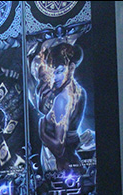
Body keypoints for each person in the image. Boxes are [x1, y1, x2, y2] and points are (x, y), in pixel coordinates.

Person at [38, 42, 87, 172]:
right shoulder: (80, 91)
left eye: (59, 71)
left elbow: (58, 147)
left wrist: (42, 132)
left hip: (59, 163)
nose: (54, 78)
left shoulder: (62, 99)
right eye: (52, 73)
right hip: (70, 159)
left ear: (71, 68)